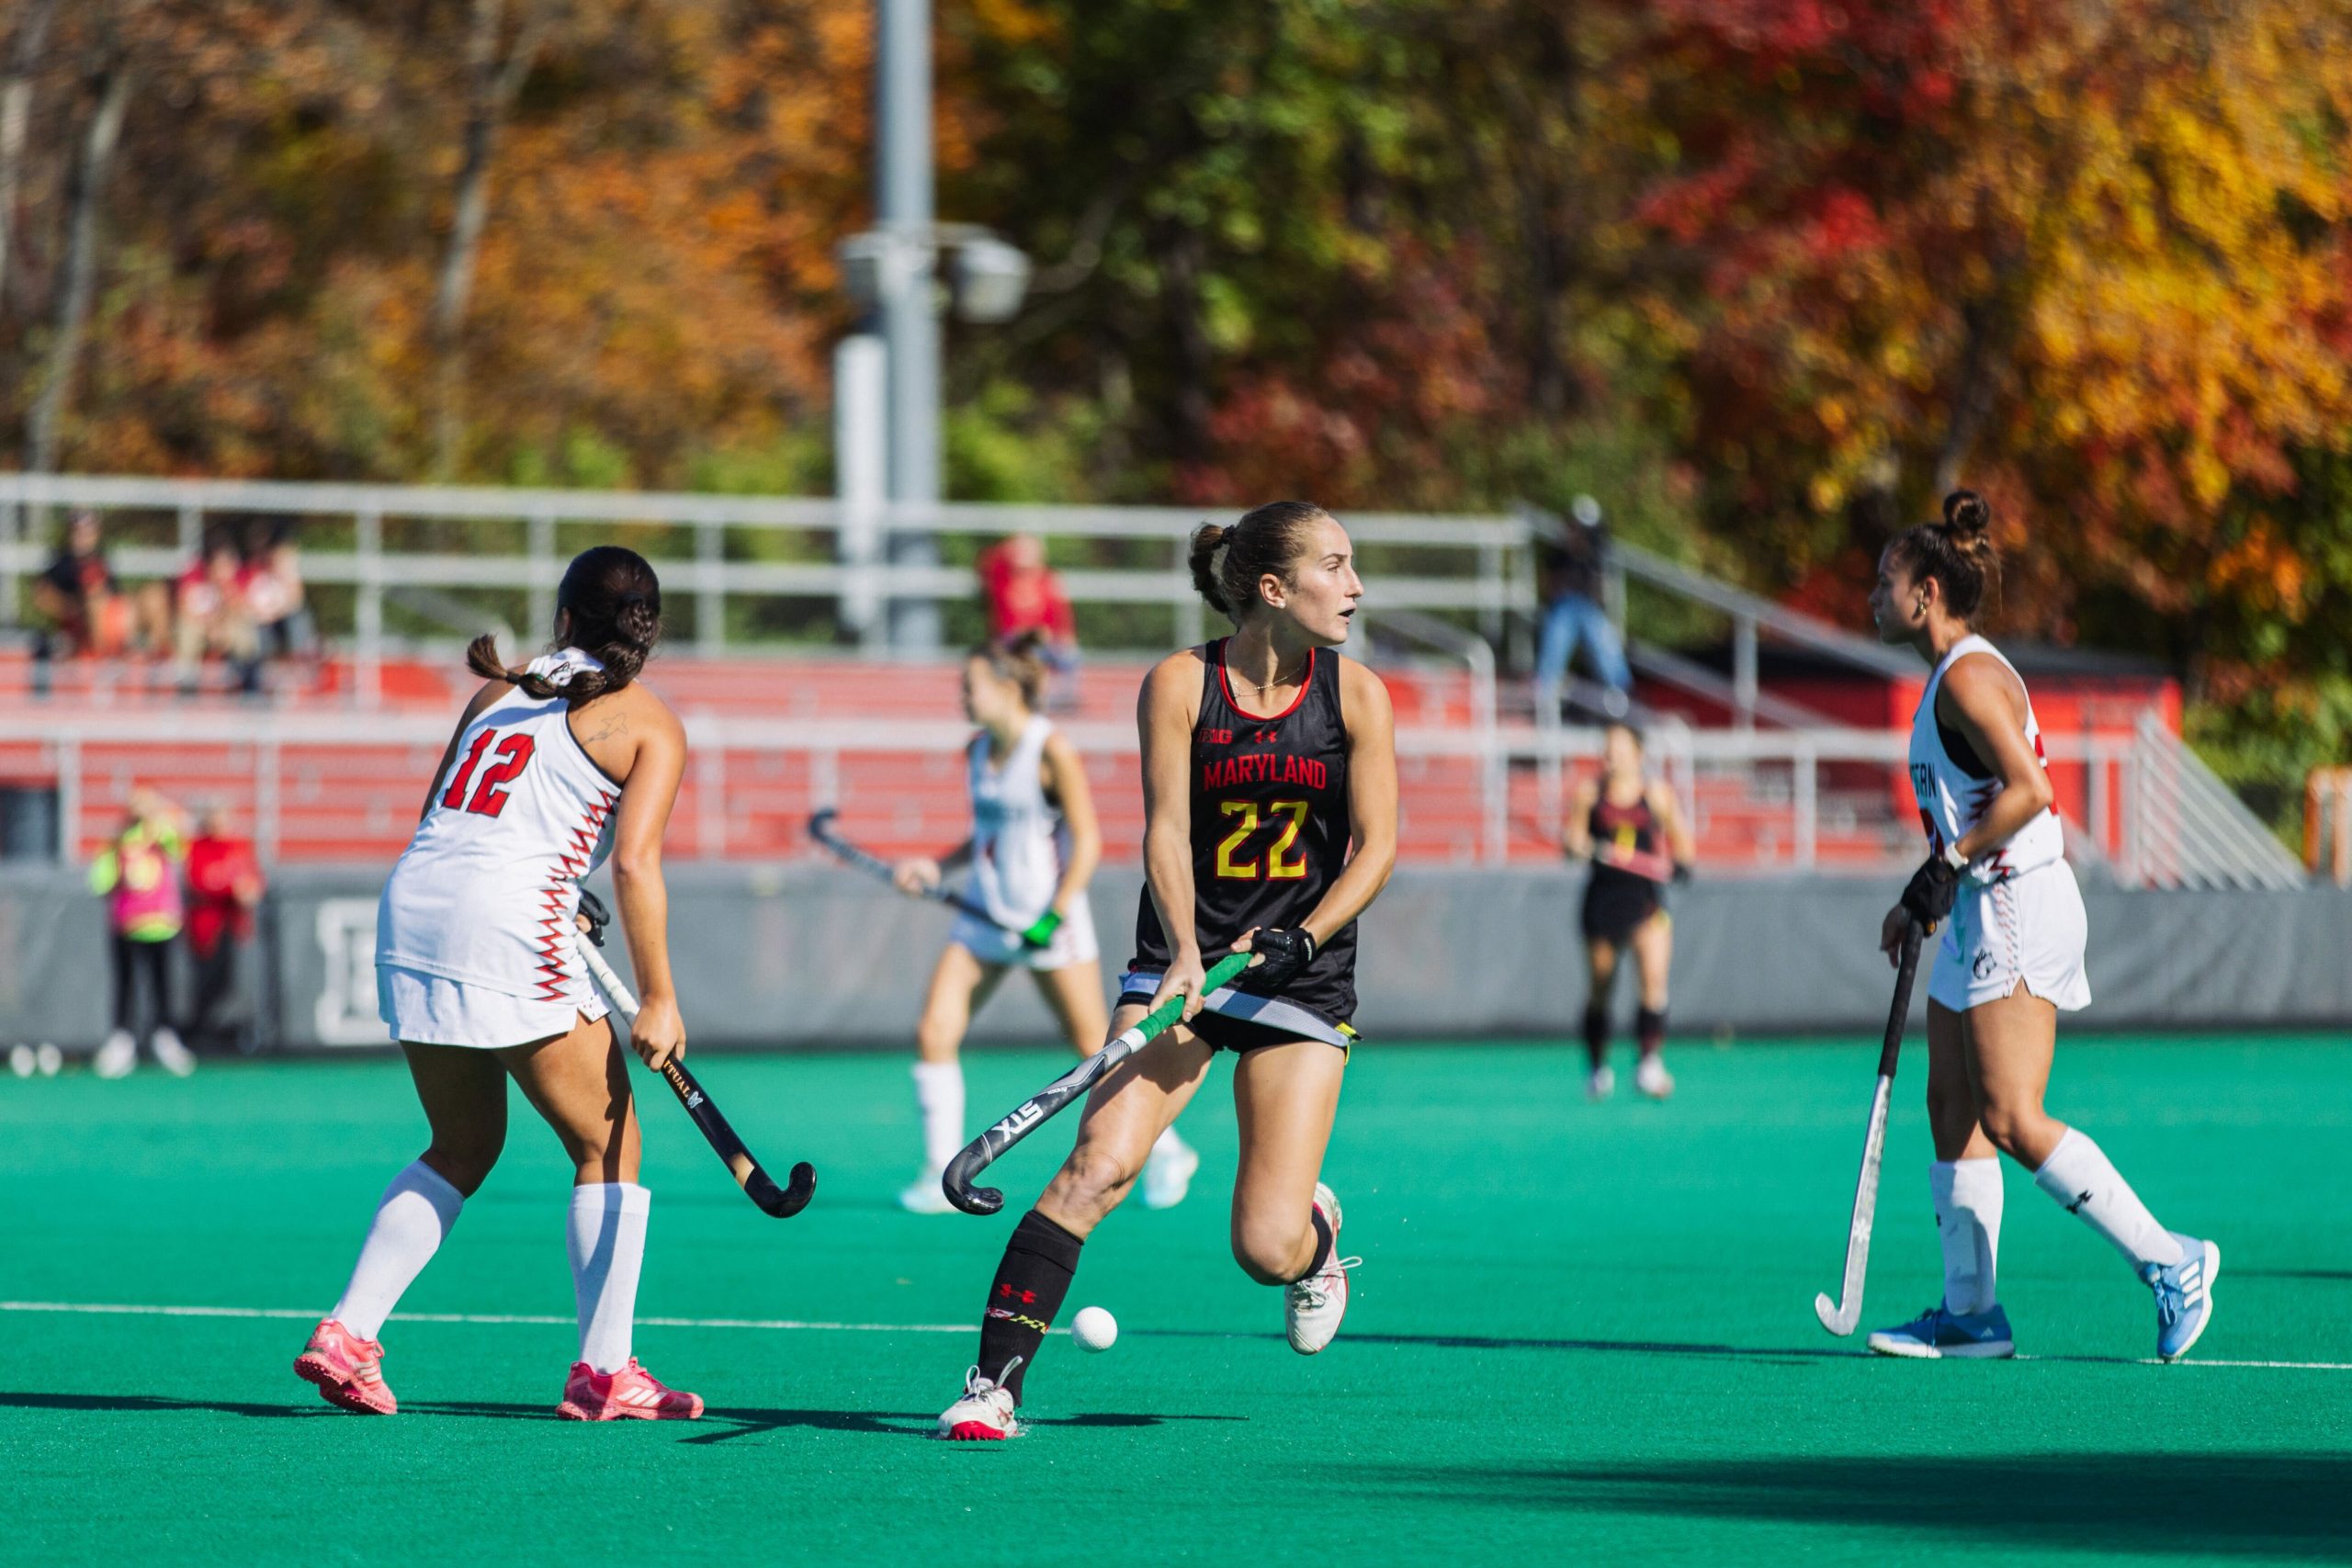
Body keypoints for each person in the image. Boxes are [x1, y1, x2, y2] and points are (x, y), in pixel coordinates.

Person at [938, 501, 1397, 1441]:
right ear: (1274, 589)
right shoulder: (1181, 685)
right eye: (1336, 567)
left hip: (1299, 980)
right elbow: (1164, 830)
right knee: (1096, 1168)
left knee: (1264, 1248)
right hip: (1182, 968)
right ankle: (992, 1390)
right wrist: (1183, 954)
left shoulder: (1355, 696)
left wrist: (1304, 937)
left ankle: (1317, 1244)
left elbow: (1376, 847)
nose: (1355, 587)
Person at [293, 546, 705, 1421]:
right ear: (650, 627)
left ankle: (348, 1334)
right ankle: (604, 1371)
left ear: (564, 617)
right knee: (610, 1144)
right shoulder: (648, 722)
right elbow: (636, 866)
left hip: (416, 905)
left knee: (461, 1144)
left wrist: (566, 895)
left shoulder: (496, 690)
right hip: (509, 921)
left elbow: (450, 819)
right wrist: (660, 995)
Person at [1863, 490, 2218, 1362]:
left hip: (2018, 901)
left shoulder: (1973, 677)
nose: (1873, 596)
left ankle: (2173, 1260)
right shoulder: (1946, 678)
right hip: (1984, 898)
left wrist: (1945, 866)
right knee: (1951, 1104)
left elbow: (2032, 792)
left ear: (1927, 595)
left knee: (2013, 1116)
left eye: (1886, 582)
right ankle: (1972, 1313)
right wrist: (1923, 894)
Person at [889, 631, 1199, 1213]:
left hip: (1049, 925)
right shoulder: (978, 750)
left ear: (1007, 688)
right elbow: (987, 834)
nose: (962, 695)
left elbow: (1087, 839)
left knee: (1093, 1048)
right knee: (935, 1030)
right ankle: (938, 1170)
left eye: (970, 686)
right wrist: (937, 865)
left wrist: (1053, 913)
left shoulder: (1048, 748)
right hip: (985, 919)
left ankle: (1167, 1151)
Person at [1562, 722, 1694, 1100]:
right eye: (1607, 749)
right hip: (1603, 901)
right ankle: (1597, 1066)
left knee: (1653, 979)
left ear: (1638, 755)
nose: (1611, 757)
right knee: (1601, 987)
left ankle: (1649, 1063)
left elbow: (1684, 846)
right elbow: (1571, 844)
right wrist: (1577, 845)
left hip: (1645, 900)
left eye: (1619, 749)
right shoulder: (1590, 795)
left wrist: (1680, 864)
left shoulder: (1657, 796)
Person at [88, 789, 197, 1078]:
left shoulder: (162, 836)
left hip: (162, 923)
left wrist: (158, 816)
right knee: (126, 987)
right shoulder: (118, 843)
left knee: (164, 986)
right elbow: (99, 880)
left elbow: (182, 840)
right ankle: (122, 1041)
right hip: (128, 924)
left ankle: (165, 1038)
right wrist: (117, 873)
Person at [1533, 494, 1632, 720]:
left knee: (1591, 622)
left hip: (1586, 613)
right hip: (1565, 611)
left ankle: (1619, 690)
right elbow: (1551, 589)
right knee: (1567, 614)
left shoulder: (1597, 558)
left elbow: (1598, 596)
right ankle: (1545, 687)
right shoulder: (1559, 554)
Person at [184, 807, 266, 1050]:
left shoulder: (237, 846)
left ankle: (234, 1032)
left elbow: (253, 879)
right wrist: (232, 888)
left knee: (234, 981)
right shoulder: (198, 847)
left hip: (235, 926)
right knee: (207, 981)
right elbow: (201, 880)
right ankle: (202, 1033)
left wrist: (249, 890)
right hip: (208, 927)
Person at [977, 534, 1079, 707]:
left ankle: (1062, 697)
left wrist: (1065, 637)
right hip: (1013, 639)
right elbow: (985, 563)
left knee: (1070, 655)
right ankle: (1037, 698)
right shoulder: (1003, 578)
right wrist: (1008, 548)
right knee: (1032, 652)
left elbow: (1061, 615)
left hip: (1045, 639)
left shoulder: (1048, 580)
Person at [173, 533, 262, 694]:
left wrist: (227, 592)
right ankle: (187, 685)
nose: (225, 569)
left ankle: (249, 683)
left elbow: (241, 609)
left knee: (244, 633)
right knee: (188, 632)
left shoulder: (239, 577)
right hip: (201, 625)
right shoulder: (194, 575)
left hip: (227, 626)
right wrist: (210, 626)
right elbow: (184, 609)